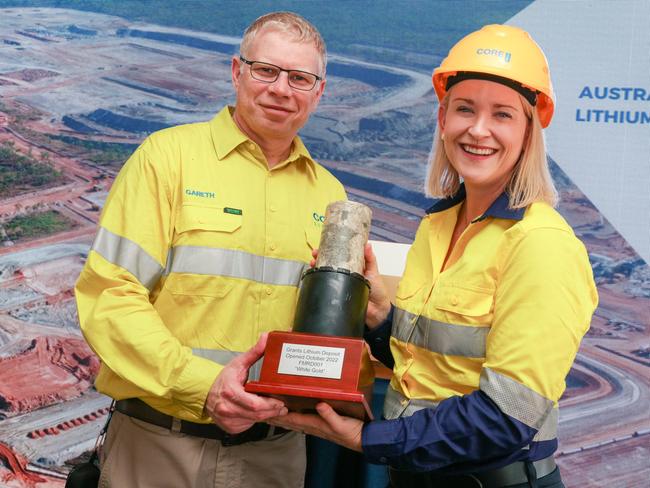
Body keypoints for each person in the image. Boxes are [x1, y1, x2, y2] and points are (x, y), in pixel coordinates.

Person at [268, 24, 598, 488]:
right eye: (465, 109)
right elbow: (432, 360)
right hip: (416, 477)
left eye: (502, 114)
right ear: (443, 119)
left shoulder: (541, 244)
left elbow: (505, 419)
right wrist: (380, 319)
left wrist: (369, 440)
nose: (477, 130)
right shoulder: (438, 226)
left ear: (529, 130)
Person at [74, 11, 346, 488]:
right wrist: (203, 386)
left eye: (300, 78)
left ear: (318, 92)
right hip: (160, 446)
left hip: (275, 456)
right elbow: (110, 297)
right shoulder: (167, 159)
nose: (281, 89)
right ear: (237, 70)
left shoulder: (332, 198)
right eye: (266, 70)